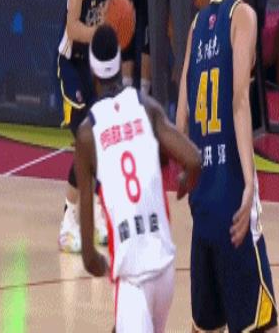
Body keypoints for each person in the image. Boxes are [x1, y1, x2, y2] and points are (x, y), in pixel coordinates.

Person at [176, 0, 278, 332]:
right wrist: (250, 182)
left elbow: (181, 111)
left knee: (205, 325)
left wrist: (185, 169)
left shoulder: (198, 22)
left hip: (202, 204)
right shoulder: (244, 17)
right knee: (261, 325)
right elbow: (238, 100)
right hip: (233, 201)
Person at [75, 24, 201, 332]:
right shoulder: (147, 108)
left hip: (133, 278)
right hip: (165, 269)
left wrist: (102, 265)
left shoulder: (88, 134)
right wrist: (184, 183)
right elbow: (194, 160)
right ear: (120, 63)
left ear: (92, 72)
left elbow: (89, 257)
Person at [56, 0, 119, 253]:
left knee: (103, 140)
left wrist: (114, 33)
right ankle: (68, 224)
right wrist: (101, 34)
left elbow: (112, 14)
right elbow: (73, 27)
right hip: (71, 60)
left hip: (94, 63)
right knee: (85, 140)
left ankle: (93, 217)